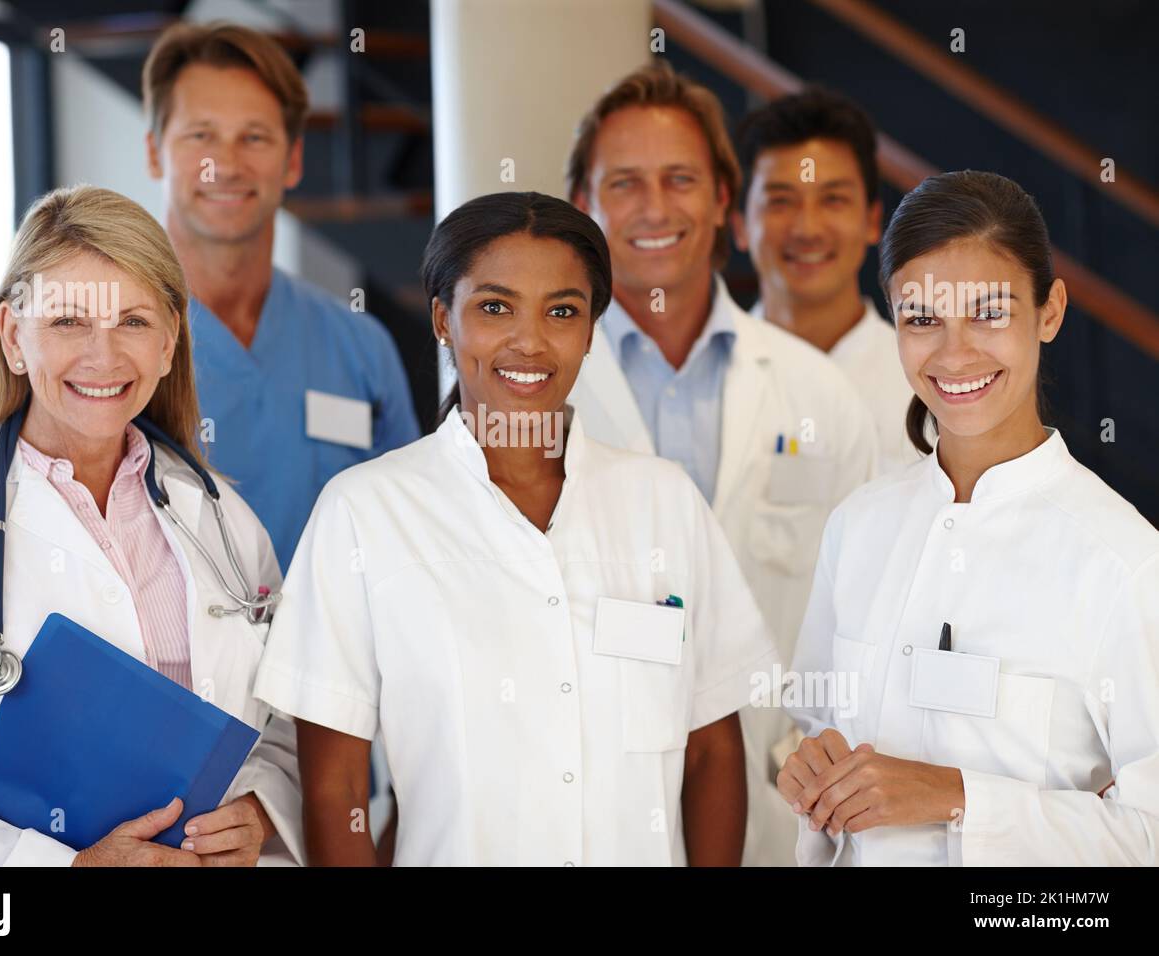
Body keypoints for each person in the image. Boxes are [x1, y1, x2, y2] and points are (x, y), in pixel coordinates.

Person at [253, 192, 779, 866]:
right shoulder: (365, 513)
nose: (529, 340)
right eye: (494, 307)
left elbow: (710, 750)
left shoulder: (664, 503)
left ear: (591, 331)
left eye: (562, 310)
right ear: (444, 320)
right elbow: (336, 786)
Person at [0, 185, 302, 866]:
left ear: (168, 341)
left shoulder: (223, 523)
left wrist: (261, 808)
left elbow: (289, 725)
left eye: (132, 321)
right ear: (14, 336)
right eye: (68, 322)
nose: (104, 356)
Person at [780, 170, 1159, 866]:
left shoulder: (1125, 563)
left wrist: (956, 797)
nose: (954, 354)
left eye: (989, 312)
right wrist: (808, 762)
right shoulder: (858, 527)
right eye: (922, 319)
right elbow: (813, 718)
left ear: (1049, 312)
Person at [564, 62, 877, 866]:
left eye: (681, 179)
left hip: (780, 801)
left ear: (720, 204)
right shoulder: (531, 392)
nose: (657, 208)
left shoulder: (819, 394)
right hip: (582, 802)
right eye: (625, 183)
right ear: (583, 208)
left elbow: (866, 620)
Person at [143, 22, 420, 572]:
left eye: (255, 137)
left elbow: (406, 528)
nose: (225, 163)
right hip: (166, 657)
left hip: (332, 655)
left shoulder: (360, 348)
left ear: (292, 160)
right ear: (155, 153)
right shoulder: (113, 346)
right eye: (200, 135)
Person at [733, 87, 918, 469]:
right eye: (781, 201)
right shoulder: (711, 381)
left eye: (833, 199)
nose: (808, 228)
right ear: (740, 226)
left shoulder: (923, 379)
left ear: (871, 221)